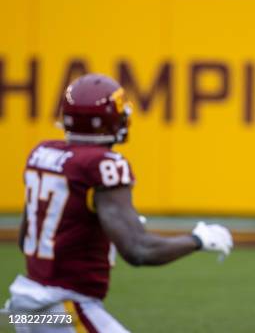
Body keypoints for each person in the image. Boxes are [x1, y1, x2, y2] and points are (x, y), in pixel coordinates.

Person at [4, 74, 233, 332]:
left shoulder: (42, 153)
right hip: (63, 307)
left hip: (26, 305)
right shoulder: (103, 165)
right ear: (108, 120)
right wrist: (198, 240)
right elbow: (139, 250)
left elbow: (27, 239)